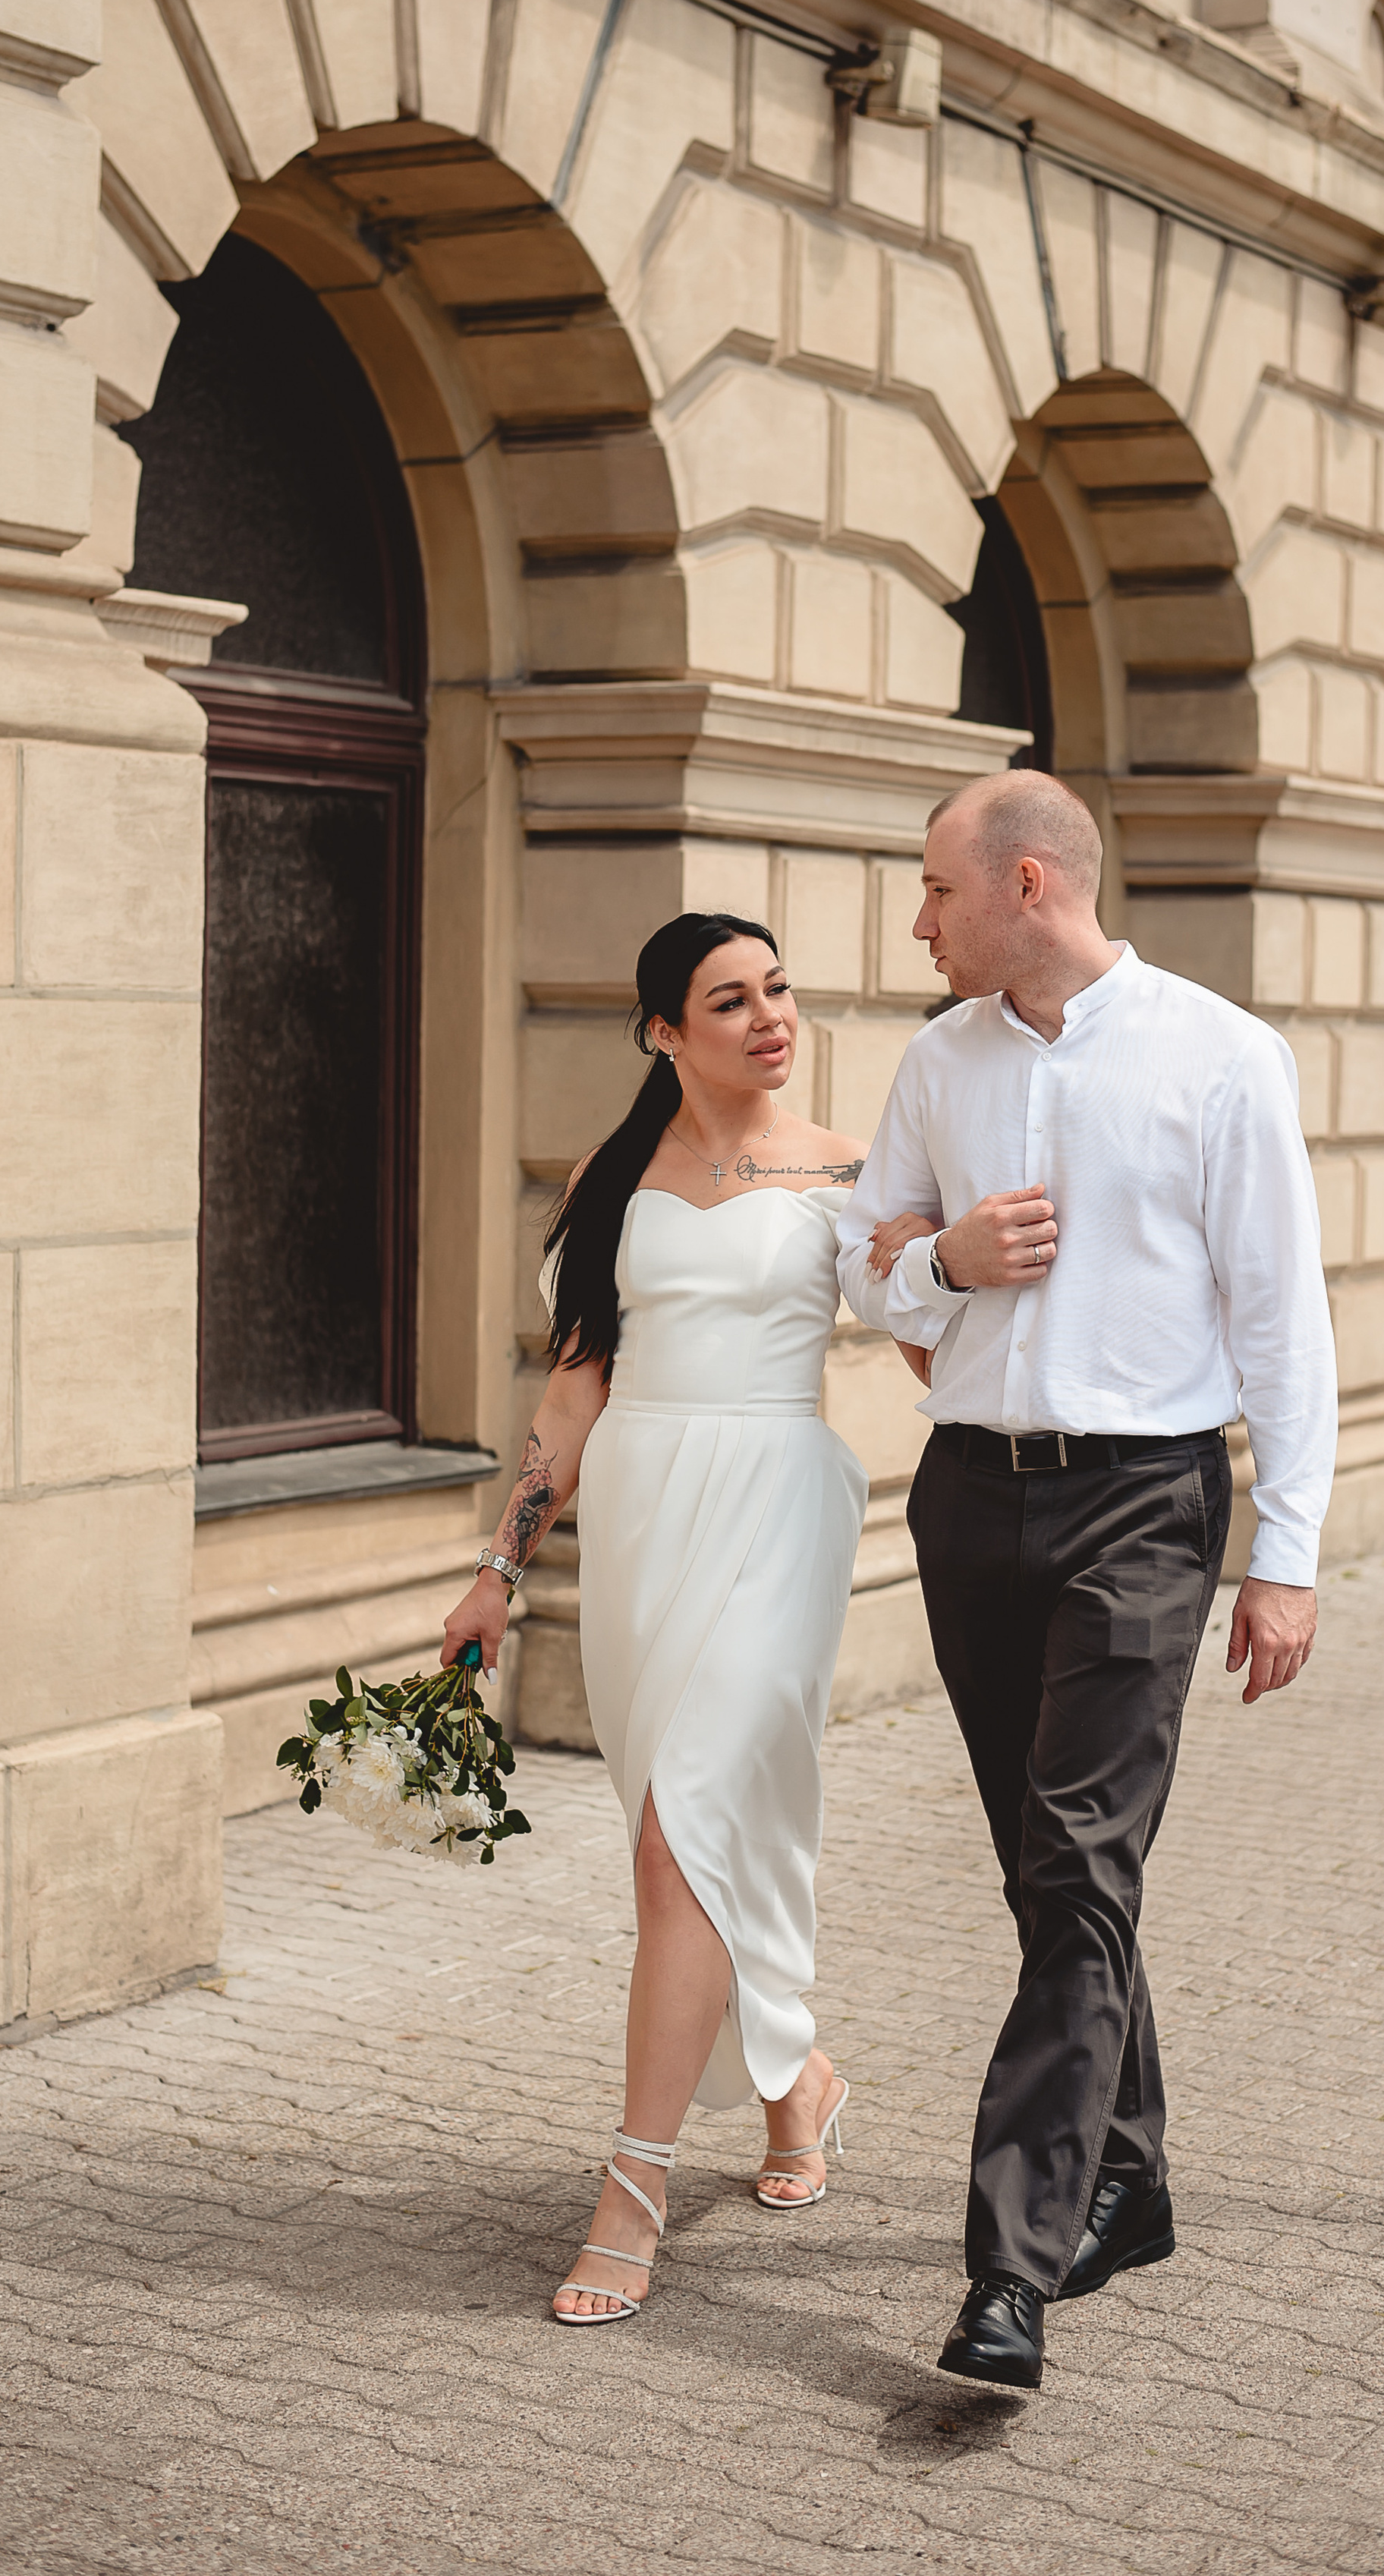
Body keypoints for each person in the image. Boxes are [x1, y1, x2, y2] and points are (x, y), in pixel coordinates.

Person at [835, 771, 1338, 2392]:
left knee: (1072, 1859)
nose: (916, 920)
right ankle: (1128, 2175)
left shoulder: (1217, 1055)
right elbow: (867, 1263)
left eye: (932, 890)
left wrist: (1287, 1553)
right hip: (970, 1497)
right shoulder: (938, 1057)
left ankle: (1009, 2268)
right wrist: (944, 1262)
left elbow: (1281, 1319)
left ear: (1025, 882)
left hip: (1143, 1502)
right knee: (1056, 1876)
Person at [442, 912, 933, 2325]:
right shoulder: (613, 1178)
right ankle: (799, 2088)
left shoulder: (847, 1171)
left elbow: (926, 1336)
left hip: (779, 1504)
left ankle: (633, 2191)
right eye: (733, 999)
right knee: (699, 1839)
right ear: (667, 1030)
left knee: (689, 1832)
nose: (771, 1016)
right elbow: (573, 1392)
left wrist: (938, 1259)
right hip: (646, 1521)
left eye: (778, 990)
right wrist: (502, 1565)